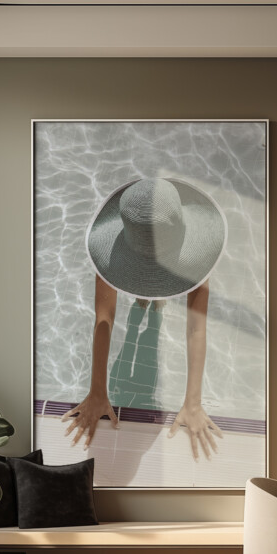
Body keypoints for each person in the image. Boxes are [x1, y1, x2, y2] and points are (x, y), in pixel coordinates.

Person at [62, 177, 227, 461]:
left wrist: (193, 402)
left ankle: (149, 292)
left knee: (150, 293)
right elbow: (104, 320)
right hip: (144, 251)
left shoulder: (194, 257)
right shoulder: (113, 257)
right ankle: (148, 293)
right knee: (146, 294)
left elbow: (195, 326)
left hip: (160, 252)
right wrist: (97, 391)